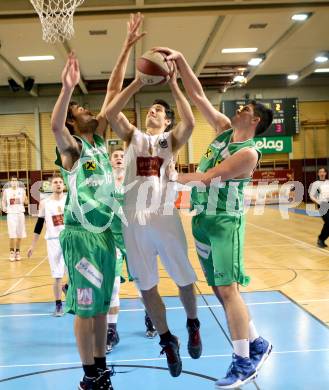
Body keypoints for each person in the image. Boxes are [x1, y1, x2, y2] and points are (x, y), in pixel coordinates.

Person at [154, 47, 274, 389]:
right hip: (202, 220)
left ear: (255, 121)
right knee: (222, 293)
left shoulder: (248, 154)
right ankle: (258, 343)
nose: (239, 110)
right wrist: (180, 64)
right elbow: (198, 94)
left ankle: (242, 361)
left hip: (225, 224)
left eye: (246, 109)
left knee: (228, 289)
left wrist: (172, 178)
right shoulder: (223, 130)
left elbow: (208, 177)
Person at [51, 13, 145, 390]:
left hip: (107, 235)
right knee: (86, 307)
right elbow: (57, 125)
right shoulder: (72, 149)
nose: (88, 111)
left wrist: (126, 48)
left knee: (104, 307)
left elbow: (113, 90)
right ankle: (88, 374)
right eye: (81, 111)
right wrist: (66, 89)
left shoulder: (100, 141)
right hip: (81, 237)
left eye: (88, 109)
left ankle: (102, 366)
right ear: (76, 123)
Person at [105, 65, 202, 378]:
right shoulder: (133, 136)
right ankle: (167, 339)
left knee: (184, 279)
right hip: (133, 223)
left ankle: (192, 322)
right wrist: (136, 82)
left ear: (167, 120)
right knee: (146, 288)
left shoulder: (169, 141)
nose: (153, 110)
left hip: (163, 217)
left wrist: (175, 85)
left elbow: (190, 121)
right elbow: (111, 113)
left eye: (160, 109)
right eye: (151, 108)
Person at [106, 148, 157, 353]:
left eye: (122, 156)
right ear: (110, 162)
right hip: (112, 241)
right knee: (113, 287)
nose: (119, 158)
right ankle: (111, 331)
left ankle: (150, 317)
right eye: (115, 156)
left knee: (142, 286)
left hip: (135, 240)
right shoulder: (104, 183)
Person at [27, 174, 67, 316]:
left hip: (69, 239)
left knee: (76, 272)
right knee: (57, 275)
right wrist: (33, 245)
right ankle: (58, 305)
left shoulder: (70, 200)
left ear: (64, 185)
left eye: (60, 182)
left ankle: (67, 287)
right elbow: (39, 225)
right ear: (51, 186)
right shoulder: (45, 203)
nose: (58, 184)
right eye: (55, 182)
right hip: (53, 240)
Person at [1, 177, 27, 261]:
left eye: (15, 180)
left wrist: (26, 199)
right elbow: (3, 201)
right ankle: (12, 252)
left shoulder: (22, 190)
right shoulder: (6, 191)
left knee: (19, 235)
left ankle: (17, 252)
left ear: (18, 182)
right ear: (10, 182)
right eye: (12, 180)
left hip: (20, 214)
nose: (14, 182)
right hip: (11, 214)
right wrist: (4, 208)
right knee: (12, 234)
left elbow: (26, 202)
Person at [309, 167, 329, 248]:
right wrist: (319, 202)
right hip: (322, 205)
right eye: (320, 172)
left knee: (328, 224)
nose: (321, 173)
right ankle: (321, 238)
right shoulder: (315, 184)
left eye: (323, 172)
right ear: (318, 174)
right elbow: (311, 196)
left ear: (325, 173)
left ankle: (322, 239)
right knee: (328, 221)